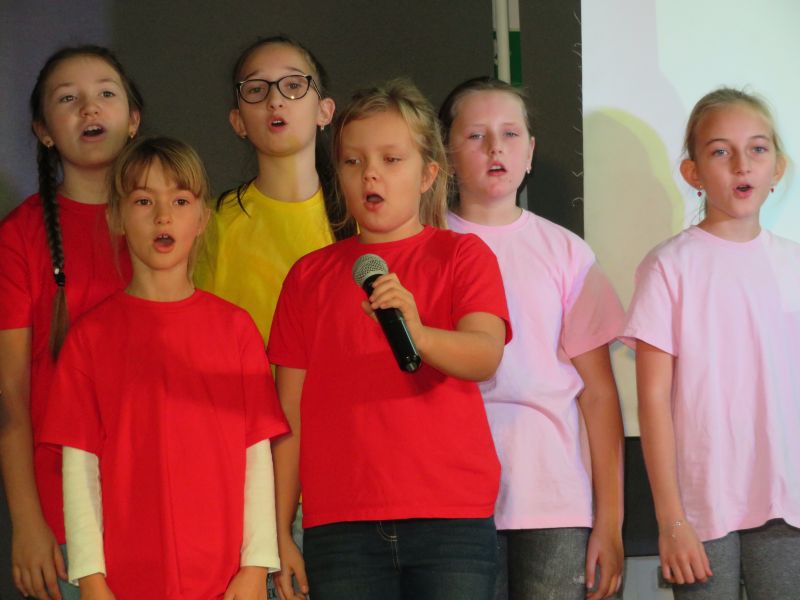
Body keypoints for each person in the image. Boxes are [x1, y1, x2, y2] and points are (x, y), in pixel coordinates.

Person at [269, 79, 511, 600]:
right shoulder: (308, 277)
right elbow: (289, 414)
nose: (370, 174)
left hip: (450, 519)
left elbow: (484, 353)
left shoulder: (462, 257)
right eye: (353, 162)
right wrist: (280, 528)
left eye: (391, 159)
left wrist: (418, 333)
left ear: (428, 174)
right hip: (340, 526)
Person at [39, 136, 289, 600]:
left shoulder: (235, 330)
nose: (163, 216)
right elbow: (80, 469)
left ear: (202, 218)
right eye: (143, 200)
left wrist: (255, 566)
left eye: (179, 200)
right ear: (116, 217)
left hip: (223, 579)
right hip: (125, 580)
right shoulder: (90, 338)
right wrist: (91, 579)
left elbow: (256, 457)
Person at [439, 77, 625, 600]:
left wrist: (609, 521)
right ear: (445, 156)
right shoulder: (425, 247)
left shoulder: (566, 253)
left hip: (554, 497)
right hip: (452, 496)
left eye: (510, 134)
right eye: (475, 135)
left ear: (531, 152)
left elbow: (599, 394)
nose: (495, 148)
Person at [623, 87, 800, 599]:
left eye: (758, 148)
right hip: (701, 506)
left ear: (778, 167)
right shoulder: (669, 266)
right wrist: (672, 520)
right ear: (693, 172)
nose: (742, 164)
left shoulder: (793, 263)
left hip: (786, 502)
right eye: (721, 151)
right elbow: (653, 400)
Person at [0, 45, 142, 600]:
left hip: (162, 495)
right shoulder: (20, 236)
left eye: (106, 93)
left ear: (133, 119)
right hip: (64, 513)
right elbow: (11, 395)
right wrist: (27, 521)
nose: (90, 108)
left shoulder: (169, 219)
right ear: (43, 131)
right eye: (67, 99)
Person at [194, 35, 354, 345]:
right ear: (238, 121)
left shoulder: (362, 214)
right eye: (256, 89)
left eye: (293, 85)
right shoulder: (209, 222)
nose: (275, 100)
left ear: (324, 111)